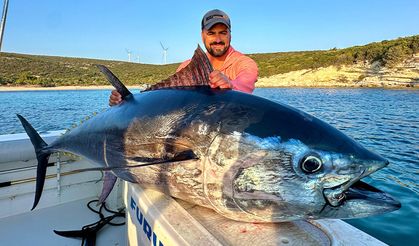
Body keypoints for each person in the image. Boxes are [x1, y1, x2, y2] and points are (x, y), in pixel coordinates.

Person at [109, 9, 258, 106]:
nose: (217, 39)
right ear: (202, 35)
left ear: (230, 34)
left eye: (223, 33)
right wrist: (126, 103)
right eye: (211, 33)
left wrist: (230, 86)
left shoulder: (246, 64)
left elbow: (244, 87)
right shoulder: (187, 67)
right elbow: (168, 99)